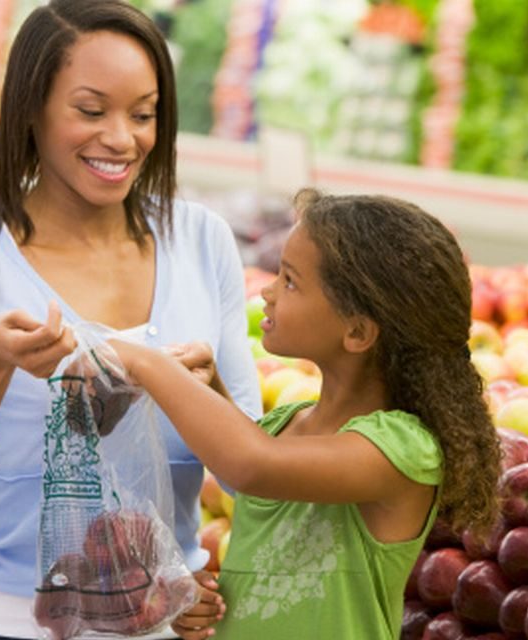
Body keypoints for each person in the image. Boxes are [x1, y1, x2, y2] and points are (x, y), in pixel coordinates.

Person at [0, 2, 261, 639]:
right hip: (13, 626)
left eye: (144, 114)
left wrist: (211, 395)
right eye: (91, 111)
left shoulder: (202, 241)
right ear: (31, 108)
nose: (122, 137)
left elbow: (255, 485)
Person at [106, 188, 503, 639]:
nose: (268, 293)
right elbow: (251, 480)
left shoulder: (402, 449)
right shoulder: (287, 423)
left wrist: (145, 361)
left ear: (356, 331)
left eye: (290, 281)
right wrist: (197, 601)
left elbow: (252, 466)